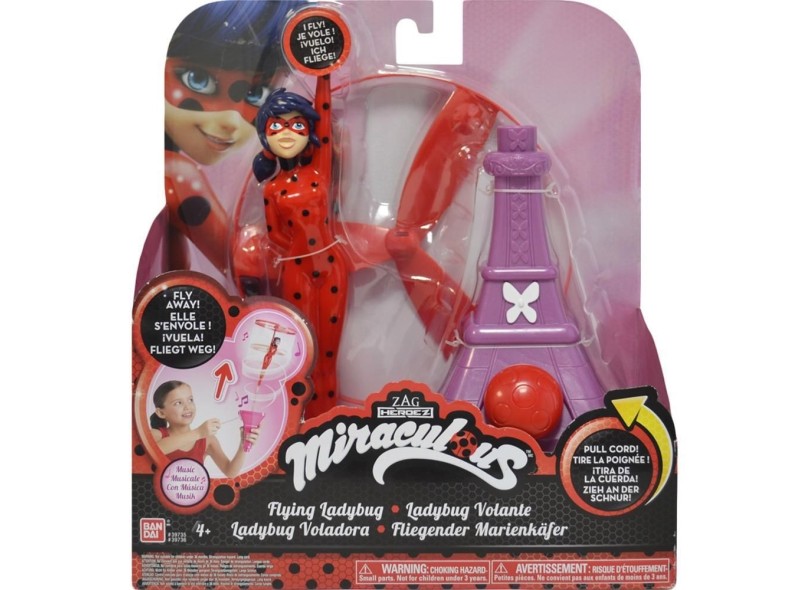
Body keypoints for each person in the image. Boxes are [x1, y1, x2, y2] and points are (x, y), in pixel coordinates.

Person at [161, 1, 301, 286]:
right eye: (197, 80)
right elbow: (244, 266)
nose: (231, 121)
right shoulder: (177, 175)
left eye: (256, 94)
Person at [252, 88, 349, 417]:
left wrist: (325, 73)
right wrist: (298, 250)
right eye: (276, 126)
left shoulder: (320, 170)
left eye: (297, 125)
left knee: (329, 355)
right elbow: (275, 235)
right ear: (265, 136)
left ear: (309, 132)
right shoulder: (271, 189)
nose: (287, 133)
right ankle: (308, 420)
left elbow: (324, 112)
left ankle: (329, 418)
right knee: (307, 352)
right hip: (297, 272)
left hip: (331, 266)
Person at [149, 380, 259, 478]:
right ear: (161, 412)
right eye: (178, 403)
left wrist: (243, 445)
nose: (187, 407)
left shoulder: (207, 440)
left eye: (190, 400)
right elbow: (155, 450)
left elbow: (230, 472)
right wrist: (198, 433)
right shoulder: (155, 435)